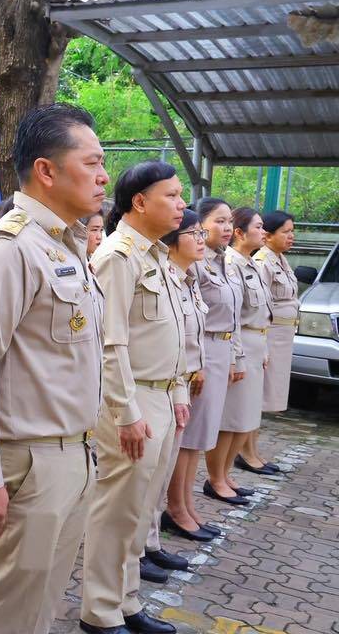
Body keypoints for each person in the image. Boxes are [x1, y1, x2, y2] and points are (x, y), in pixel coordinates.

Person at [0, 104, 105, 634]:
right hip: (28, 464)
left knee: (37, 608)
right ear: (46, 170)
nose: (104, 176)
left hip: (73, 454)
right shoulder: (10, 251)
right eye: (92, 163)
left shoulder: (65, 245)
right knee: (1, 614)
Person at [80, 160, 189, 634]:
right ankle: (100, 611)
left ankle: (126, 601)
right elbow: (110, 343)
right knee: (117, 510)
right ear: (140, 202)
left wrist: (178, 388)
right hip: (131, 399)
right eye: (172, 195)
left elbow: (173, 333)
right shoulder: (117, 256)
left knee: (141, 509)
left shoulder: (156, 255)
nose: (182, 204)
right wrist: (126, 412)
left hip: (159, 396)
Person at [142, 209, 211, 584]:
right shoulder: (161, 275)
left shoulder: (187, 279)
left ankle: (150, 541)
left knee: (161, 473)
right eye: (194, 233)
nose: (201, 240)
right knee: (147, 476)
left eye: (202, 233)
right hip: (157, 384)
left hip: (178, 385)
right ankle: (137, 549)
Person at [163, 198, 239, 536]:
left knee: (198, 437)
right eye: (218, 221)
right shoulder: (190, 263)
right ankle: (177, 507)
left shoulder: (218, 261)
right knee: (189, 437)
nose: (226, 228)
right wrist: (197, 364)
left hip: (213, 353)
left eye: (229, 221)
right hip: (199, 355)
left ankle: (186, 504)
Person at [207, 208, 272, 504]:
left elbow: (263, 312)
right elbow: (232, 316)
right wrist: (238, 355)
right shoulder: (230, 262)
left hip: (255, 343)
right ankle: (216, 478)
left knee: (245, 418)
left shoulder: (251, 264)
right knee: (231, 420)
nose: (263, 232)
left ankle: (226, 475)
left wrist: (264, 349)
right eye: (258, 226)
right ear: (240, 233)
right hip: (238, 343)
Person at [237, 211, 296, 475]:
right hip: (267, 336)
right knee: (257, 398)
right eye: (285, 231)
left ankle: (254, 450)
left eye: (292, 231)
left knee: (264, 397)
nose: (291, 236)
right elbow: (257, 306)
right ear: (269, 235)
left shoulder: (280, 259)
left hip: (280, 339)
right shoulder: (262, 261)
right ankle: (246, 452)